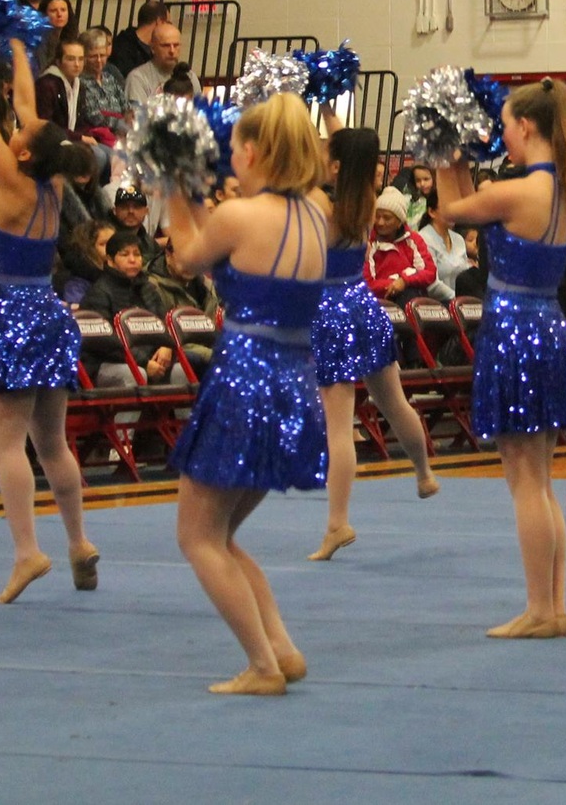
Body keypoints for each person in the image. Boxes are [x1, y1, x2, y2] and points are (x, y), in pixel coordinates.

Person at [164, 93, 331, 693]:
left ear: (254, 151)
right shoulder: (318, 211)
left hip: (246, 381)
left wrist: (174, 183)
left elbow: (187, 258)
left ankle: (262, 665)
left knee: (197, 537)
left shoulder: (240, 216)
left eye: (233, 148)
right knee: (222, 535)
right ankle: (281, 650)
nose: (228, 157)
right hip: (295, 382)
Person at [0, 34, 100, 603]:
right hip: (51, 311)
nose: (16, 128)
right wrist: (19, 49)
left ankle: (27, 552)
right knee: (53, 442)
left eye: (21, 133)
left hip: (15, 312)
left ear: (26, 154)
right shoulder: (53, 182)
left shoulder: (13, 183)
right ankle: (79, 541)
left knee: (7, 443)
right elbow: (25, 105)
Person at [440, 78, 566, 639]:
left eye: (505, 127)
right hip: (549, 325)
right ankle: (554, 605)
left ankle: (539, 610)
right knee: (541, 481)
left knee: (525, 481)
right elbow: (467, 206)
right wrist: (459, 152)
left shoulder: (516, 192)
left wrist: (444, 144)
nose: (502, 136)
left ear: (526, 126)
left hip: (515, 332)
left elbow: (450, 210)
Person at [306, 127, 439, 562]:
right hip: (364, 303)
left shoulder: (320, 201)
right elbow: (351, 147)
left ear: (337, 163)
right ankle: (423, 472)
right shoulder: (367, 197)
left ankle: (337, 523)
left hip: (332, 308)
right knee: (393, 401)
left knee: (338, 423)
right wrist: (328, 105)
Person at [364, 185, 437, 304]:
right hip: (380, 301)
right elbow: (368, 284)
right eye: (377, 217)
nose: (380, 222)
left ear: (399, 222)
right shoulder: (368, 243)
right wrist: (396, 282)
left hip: (411, 296)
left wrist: (405, 281)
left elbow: (429, 272)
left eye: (387, 218)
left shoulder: (413, 240)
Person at [418, 191, 469, 302]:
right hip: (435, 305)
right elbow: (431, 284)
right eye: (447, 208)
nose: (453, 213)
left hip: (461, 305)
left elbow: (466, 276)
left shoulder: (459, 239)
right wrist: (457, 299)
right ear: (432, 212)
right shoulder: (423, 238)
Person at [123, 18, 184, 104]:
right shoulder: (137, 78)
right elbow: (138, 112)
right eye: (166, 45)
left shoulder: (189, 76)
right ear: (152, 48)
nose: (172, 51)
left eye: (176, 45)